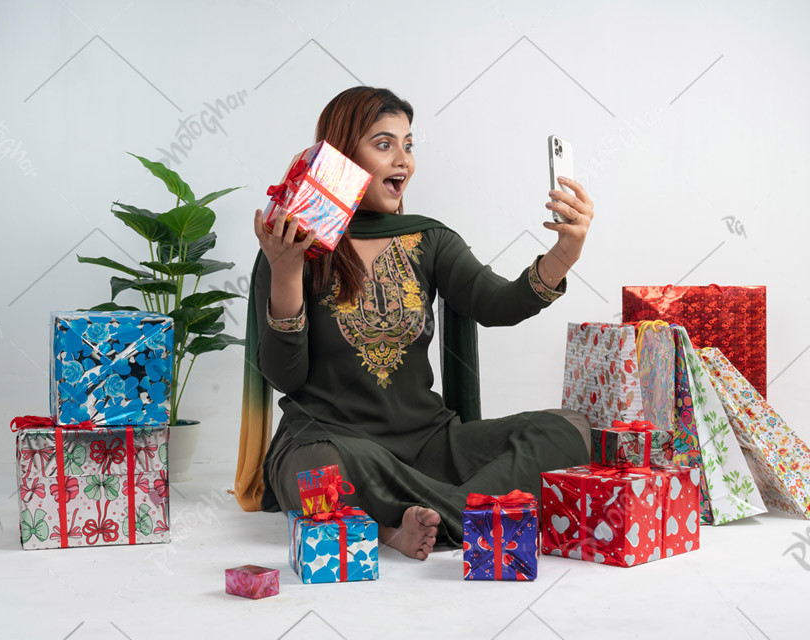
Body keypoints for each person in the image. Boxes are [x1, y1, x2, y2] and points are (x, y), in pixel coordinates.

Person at [234, 86, 596, 561]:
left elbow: (496, 304)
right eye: (383, 144)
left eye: (408, 144)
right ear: (340, 156)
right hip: (333, 441)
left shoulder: (430, 238)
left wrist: (563, 255)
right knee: (314, 472)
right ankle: (468, 515)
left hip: (428, 442)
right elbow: (286, 376)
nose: (402, 159)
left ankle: (401, 521)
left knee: (569, 431)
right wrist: (285, 272)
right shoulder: (292, 245)